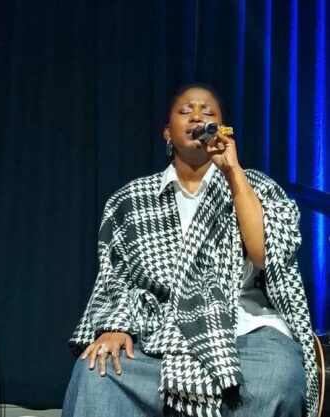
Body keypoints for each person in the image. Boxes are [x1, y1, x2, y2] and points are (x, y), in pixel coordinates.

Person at [61, 84, 317, 417]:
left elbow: (264, 255)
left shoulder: (255, 185)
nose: (197, 116)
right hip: (160, 334)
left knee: (277, 379)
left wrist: (233, 172)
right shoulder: (131, 199)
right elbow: (115, 278)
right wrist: (114, 326)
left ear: (222, 129)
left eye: (207, 112)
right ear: (167, 132)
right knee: (97, 374)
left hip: (244, 331)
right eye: (185, 111)